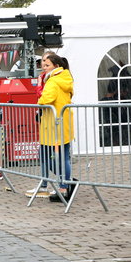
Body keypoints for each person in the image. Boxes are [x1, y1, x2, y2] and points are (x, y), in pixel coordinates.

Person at [25, 54, 74, 201]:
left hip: (52, 124)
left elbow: (45, 99)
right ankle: (64, 184)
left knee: (47, 155)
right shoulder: (66, 78)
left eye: (47, 65)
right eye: (43, 65)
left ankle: (62, 183)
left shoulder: (53, 81)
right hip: (63, 122)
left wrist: (40, 87)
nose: (44, 68)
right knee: (63, 156)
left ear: (56, 66)